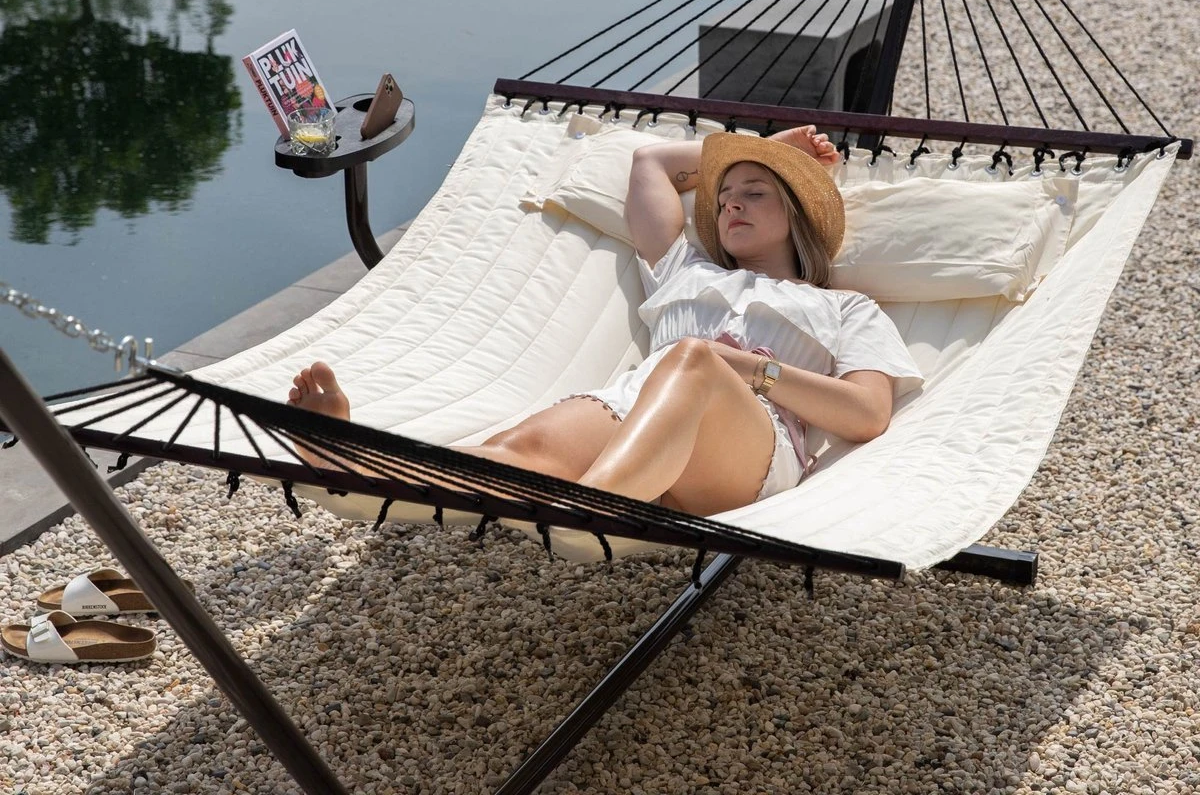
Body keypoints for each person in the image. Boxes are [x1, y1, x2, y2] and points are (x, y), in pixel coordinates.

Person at [288, 125, 922, 517]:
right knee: (517, 452)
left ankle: (586, 506)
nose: (731, 205)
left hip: (748, 448)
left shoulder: (847, 307)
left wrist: (750, 370)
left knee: (693, 360)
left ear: (798, 216)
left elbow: (867, 414)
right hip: (635, 409)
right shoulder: (684, 269)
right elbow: (651, 163)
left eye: (754, 192)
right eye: (725, 197)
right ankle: (354, 463)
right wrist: (769, 149)